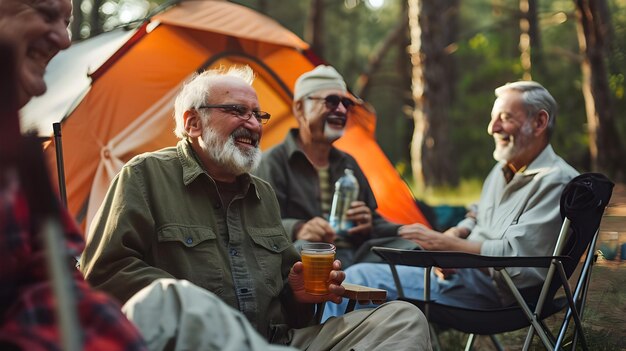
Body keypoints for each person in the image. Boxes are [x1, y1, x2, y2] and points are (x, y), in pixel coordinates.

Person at [80, 66, 432, 350]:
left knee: (402, 318)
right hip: (202, 342)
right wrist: (196, 309)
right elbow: (105, 273)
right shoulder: (145, 176)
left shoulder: (261, 193)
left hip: (278, 342)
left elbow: (289, 307)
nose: (253, 123)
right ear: (192, 122)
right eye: (236, 110)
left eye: (257, 114)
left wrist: (301, 295)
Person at [324, 80, 579, 319]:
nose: (493, 128)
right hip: (465, 274)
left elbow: (517, 259)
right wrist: (459, 231)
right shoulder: (505, 169)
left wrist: (446, 246)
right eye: (493, 119)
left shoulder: (555, 182)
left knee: (356, 277)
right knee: (362, 269)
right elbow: (479, 213)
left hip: (496, 293)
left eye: (505, 118)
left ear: (539, 122)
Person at [0, 0, 147, 349]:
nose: (65, 41)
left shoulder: (16, 158)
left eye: (66, 22)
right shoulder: (147, 174)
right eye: (46, 14)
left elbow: (52, 277)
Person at [255, 65, 422, 267]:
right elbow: (258, 225)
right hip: (308, 259)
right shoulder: (273, 162)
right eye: (331, 101)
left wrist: (378, 225)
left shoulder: (348, 162)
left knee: (410, 249)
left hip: (355, 255)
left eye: (346, 103)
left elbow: (374, 221)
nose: (342, 110)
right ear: (299, 108)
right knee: (305, 250)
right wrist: (297, 228)